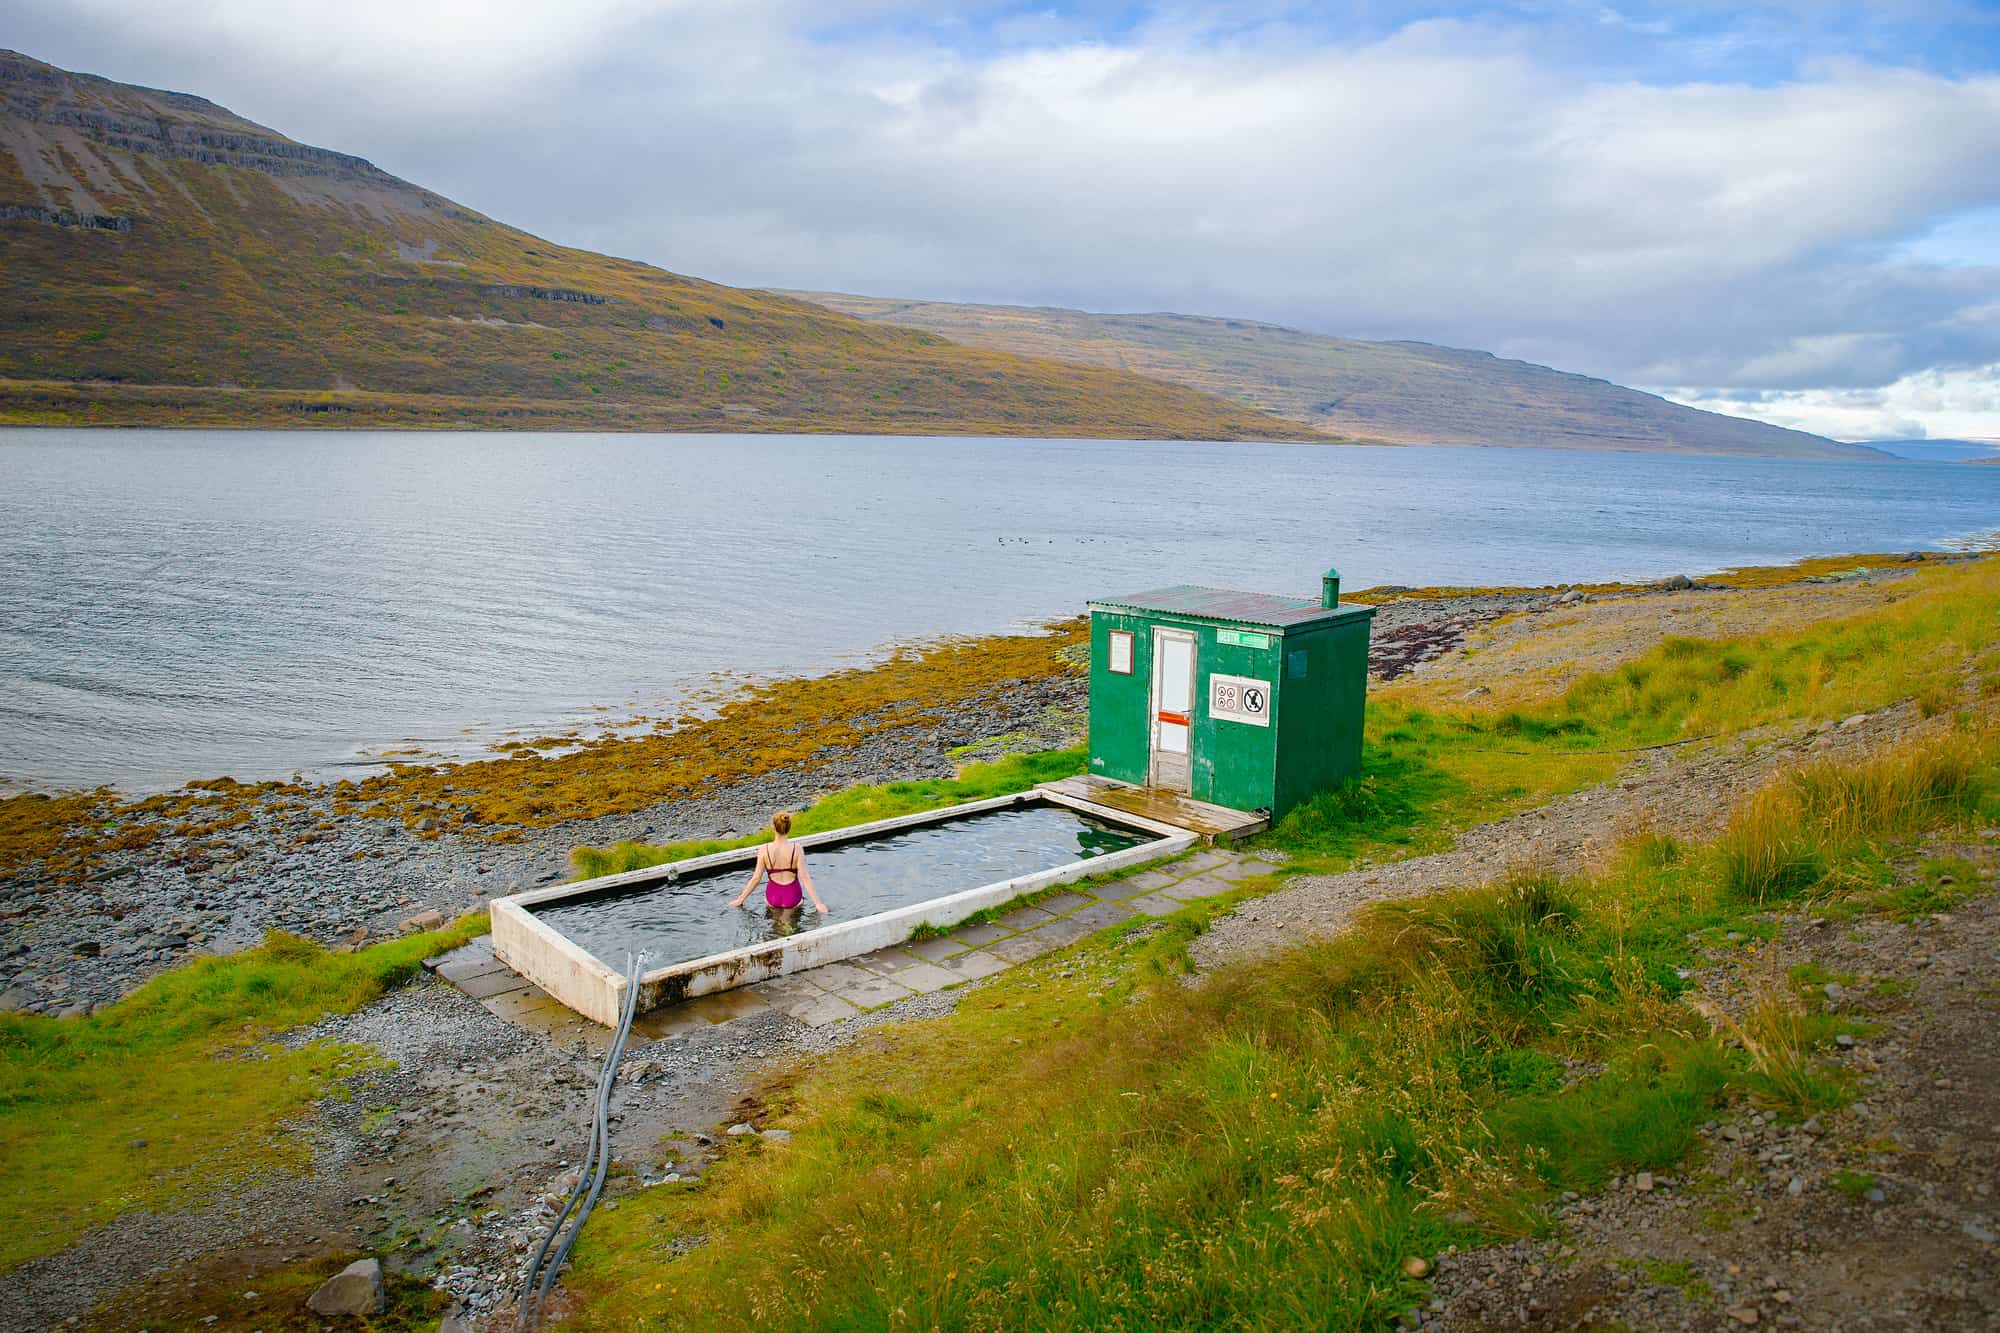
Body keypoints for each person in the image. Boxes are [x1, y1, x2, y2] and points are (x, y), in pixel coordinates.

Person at [728, 811, 826, 914]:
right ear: (789, 828)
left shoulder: (764, 849)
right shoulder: (797, 848)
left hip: (773, 895)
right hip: (793, 895)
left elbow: (756, 878)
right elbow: (804, 877)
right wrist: (818, 904)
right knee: (791, 922)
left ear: (773, 827)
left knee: (776, 924)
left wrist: (740, 900)